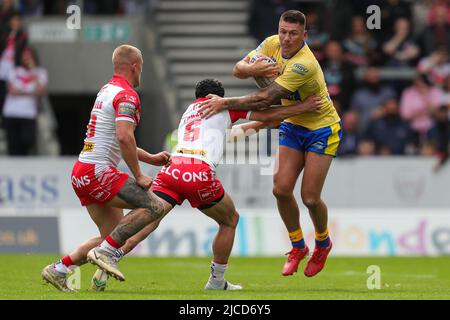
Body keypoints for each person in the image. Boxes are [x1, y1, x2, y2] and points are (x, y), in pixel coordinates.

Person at [85, 78, 323, 290]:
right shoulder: (223, 107)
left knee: (148, 219)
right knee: (230, 220)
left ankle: (109, 256)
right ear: (218, 97)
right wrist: (302, 107)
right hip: (198, 172)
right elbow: (267, 115)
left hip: (171, 169)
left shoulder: (189, 112)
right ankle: (216, 281)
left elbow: (230, 132)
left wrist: (259, 125)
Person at [194, 10, 341, 278]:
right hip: (293, 124)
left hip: (321, 129)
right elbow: (238, 69)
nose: (286, 38)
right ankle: (298, 246)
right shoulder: (271, 43)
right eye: (283, 31)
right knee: (280, 189)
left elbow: (265, 99)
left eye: (293, 34)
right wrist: (253, 68)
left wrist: (224, 103)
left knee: (309, 197)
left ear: (304, 35)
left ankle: (323, 242)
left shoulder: (304, 64)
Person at [41, 44, 171, 292]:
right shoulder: (127, 96)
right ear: (135, 66)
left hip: (82, 170)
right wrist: (140, 175)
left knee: (112, 236)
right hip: (98, 172)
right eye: (141, 67)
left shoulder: (106, 90)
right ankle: (105, 254)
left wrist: (151, 158)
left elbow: (114, 138)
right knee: (155, 206)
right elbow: (124, 138)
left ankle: (60, 269)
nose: (141, 71)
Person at [2, 47, 47, 155]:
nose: (26, 58)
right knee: (13, 144)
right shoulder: (14, 71)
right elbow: (11, 90)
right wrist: (30, 93)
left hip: (29, 113)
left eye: (29, 55)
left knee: (27, 141)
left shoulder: (40, 72)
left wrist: (33, 71)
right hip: (11, 113)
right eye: (24, 55)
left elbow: (40, 90)